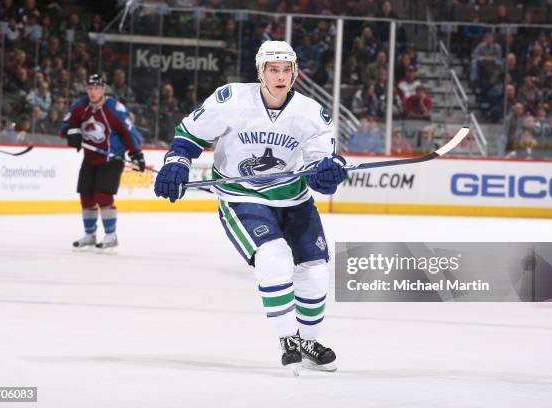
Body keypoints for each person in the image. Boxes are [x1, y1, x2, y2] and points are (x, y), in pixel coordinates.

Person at [154, 41, 347, 374]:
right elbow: (190, 134)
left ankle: (308, 341)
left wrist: (330, 172)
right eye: (274, 69)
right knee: (273, 258)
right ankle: (287, 338)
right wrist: (176, 161)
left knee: (315, 273)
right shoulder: (231, 100)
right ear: (261, 72)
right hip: (241, 195)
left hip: (294, 200)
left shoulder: (311, 114)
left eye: (287, 69)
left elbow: (320, 172)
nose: (281, 76)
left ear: (295, 72)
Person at [61, 74, 146, 250]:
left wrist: (136, 154)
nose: (93, 92)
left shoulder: (114, 108)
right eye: (90, 88)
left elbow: (128, 132)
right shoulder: (80, 106)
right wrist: (72, 133)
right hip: (90, 157)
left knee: (103, 195)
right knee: (86, 196)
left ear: (103, 89)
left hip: (112, 158)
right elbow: (67, 125)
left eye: (97, 88)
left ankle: (111, 235)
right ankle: (90, 235)